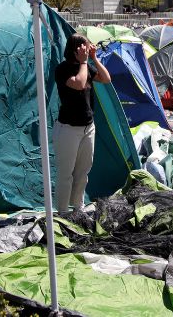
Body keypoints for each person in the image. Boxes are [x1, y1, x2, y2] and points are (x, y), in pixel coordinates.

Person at [53, 35, 112, 213]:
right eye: (85, 48)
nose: (88, 50)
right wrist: (84, 63)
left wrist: (94, 58)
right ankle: (62, 212)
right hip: (68, 129)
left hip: (87, 127)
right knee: (66, 173)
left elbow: (106, 78)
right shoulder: (63, 69)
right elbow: (79, 84)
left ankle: (78, 207)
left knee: (82, 172)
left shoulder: (86, 66)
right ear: (77, 49)